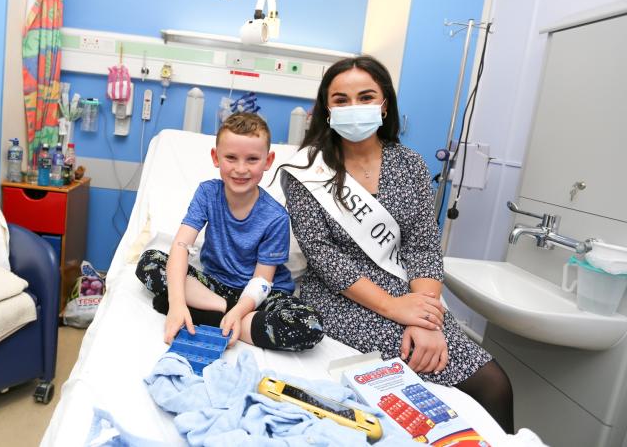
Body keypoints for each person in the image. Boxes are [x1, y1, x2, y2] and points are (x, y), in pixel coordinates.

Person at [278, 55, 514, 433]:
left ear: (384, 104)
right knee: (471, 381)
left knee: (495, 384)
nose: (353, 107)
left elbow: (422, 247)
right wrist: (396, 309)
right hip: (339, 294)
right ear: (326, 108)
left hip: (410, 289)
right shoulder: (308, 170)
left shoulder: (410, 165)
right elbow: (321, 255)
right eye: (341, 100)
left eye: (365, 96)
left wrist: (426, 316)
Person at [136, 112, 324, 351]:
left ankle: (207, 315)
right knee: (150, 262)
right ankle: (219, 314)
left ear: (268, 161)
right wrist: (176, 304)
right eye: (231, 158)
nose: (241, 169)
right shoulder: (207, 194)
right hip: (215, 285)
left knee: (310, 326)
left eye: (252, 159)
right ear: (216, 157)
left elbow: (262, 281)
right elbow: (181, 246)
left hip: (261, 296)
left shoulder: (276, 217)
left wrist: (240, 310)